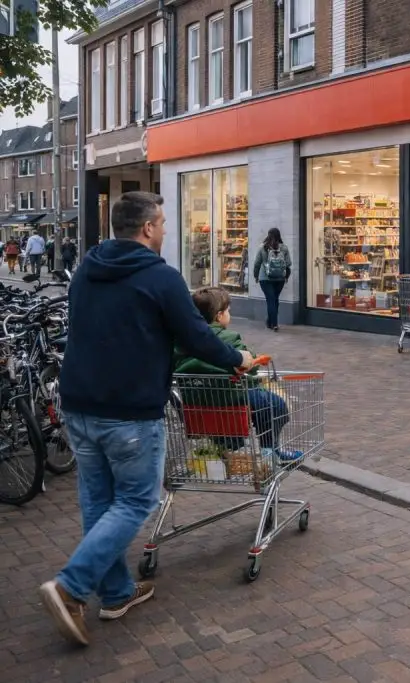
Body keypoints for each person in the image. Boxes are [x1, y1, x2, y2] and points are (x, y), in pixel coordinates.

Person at [41, 191, 254, 646]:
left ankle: (116, 593)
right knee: (138, 501)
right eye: (161, 222)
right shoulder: (160, 277)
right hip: (129, 410)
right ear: (147, 228)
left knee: (99, 504)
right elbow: (196, 336)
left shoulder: (85, 270)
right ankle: (71, 586)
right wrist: (237, 356)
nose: (163, 230)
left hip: (79, 404)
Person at [174, 287, 299, 459]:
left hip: (195, 400)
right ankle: (270, 449)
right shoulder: (230, 338)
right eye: (228, 311)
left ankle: (223, 449)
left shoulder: (181, 340)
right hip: (231, 398)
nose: (229, 315)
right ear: (219, 316)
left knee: (242, 406)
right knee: (275, 405)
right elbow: (250, 367)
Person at [252, 228, 292, 332]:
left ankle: (273, 323)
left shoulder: (262, 247)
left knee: (270, 300)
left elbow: (257, 263)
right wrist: (286, 276)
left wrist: (256, 276)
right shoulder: (284, 248)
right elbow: (288, 264)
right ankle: (271, 322)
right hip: (280, 279)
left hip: (265, 278)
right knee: (275, 299)